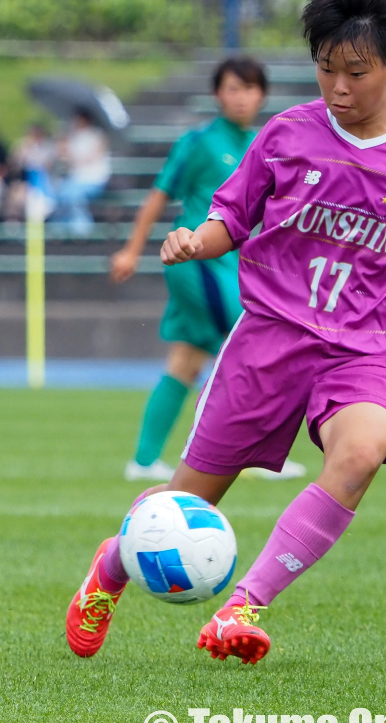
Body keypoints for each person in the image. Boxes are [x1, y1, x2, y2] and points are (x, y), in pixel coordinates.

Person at [66, 0, 386, 665]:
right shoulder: (286, 134)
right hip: (270, 338)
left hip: (370, 349)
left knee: (360, 454)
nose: (338, 87)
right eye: (326, 69)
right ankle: (110, 567)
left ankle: (243, 605)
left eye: (355, 73)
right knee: (190, 499)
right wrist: (194, 241)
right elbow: (228, 218)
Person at [110, 58, 304, 483]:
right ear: (218, 94)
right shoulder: (199, 142)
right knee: (254, 345)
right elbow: (159, 196)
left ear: (262, 95)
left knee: (185, 361)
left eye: (250, 89)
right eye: (233, 88)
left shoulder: (260, 145)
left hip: (230, 268)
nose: (242, 97)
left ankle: (143, 460)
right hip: (197, 265)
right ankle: (249, 454)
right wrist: (131, 250)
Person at [55, 109, 110, 235]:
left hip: (94, 179)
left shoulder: (98, 136)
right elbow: (67, 160)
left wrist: (72, 155)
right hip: (76, 179)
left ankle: (83, 227)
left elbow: (90, 157)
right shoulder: (73, 137)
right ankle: (63, 227)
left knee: (74, 195)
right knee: (62, 192)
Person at [5, 119, 61, 220]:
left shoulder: (48, 148)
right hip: (23, 182)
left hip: (43, 184)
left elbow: (49, 166)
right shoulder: (22, 145)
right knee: (15, 197)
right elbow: (12, 165)